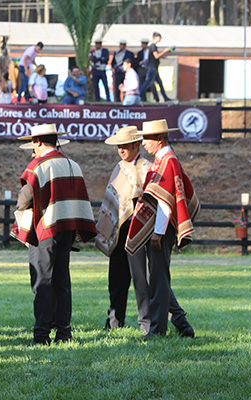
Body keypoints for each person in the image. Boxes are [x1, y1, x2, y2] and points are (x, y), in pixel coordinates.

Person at [15, 123, 97, 344]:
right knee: (62, 283)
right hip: (68, 228)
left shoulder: (39, 165)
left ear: (39, 142)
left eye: (33, 141)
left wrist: (20, 209)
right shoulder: (73, 164)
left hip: (46, 229)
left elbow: (25, 197)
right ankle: (64, 333)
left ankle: (41, 335)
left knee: (42, 282)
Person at [127, 119, 198, 339]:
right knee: (159, 279)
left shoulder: (167, 160)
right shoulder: (164, 158)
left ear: (159, 139)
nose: (143, 142)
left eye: (147, 138)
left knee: (158, 280)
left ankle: (157, 330)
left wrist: (158, 232)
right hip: (161, 227)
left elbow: (166, 201)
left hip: (162, 229)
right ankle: (182, 324)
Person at [95, 126, 152, 333]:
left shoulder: (147, 167)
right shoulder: (118, 168)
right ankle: (114, 321)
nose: (121, 149)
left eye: (125, 145)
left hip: (137, 233)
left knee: (141, 280)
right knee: (116, 280)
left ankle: (146, 323)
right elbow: (111, 200)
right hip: (117, 232)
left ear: (136, 145)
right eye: (119, 146)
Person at [140, 32, 173, 102]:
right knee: (147, 83)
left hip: (154, 68)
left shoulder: (153, 47)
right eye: (159, 38)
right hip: (152, 68)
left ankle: (165, 98)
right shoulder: (153, 46)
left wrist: (162, 56)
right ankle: (140, 95)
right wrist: (165, 51)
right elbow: (156, 56)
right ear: (155, 37)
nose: (160, 39)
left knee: (160, 83)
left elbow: (156, 56)